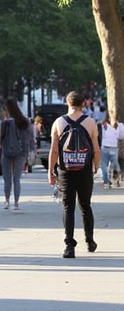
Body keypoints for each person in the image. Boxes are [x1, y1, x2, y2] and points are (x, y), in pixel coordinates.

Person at [48, 91, 100, 259]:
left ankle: (69, 246)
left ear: (67, 103)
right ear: (83, 104)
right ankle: (90, 240)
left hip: (65, 170)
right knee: (85, 205)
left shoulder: (59, 122)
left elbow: (54, 150)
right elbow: (96, 149)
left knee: (68, 207)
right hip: (84, 170)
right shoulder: (90, 122)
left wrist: (50, 171)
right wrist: (95, 167)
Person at [0, 97, 35, 210]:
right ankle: (16, 203)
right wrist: (31, 150)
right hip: (21, 152)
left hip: (7, 152)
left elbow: (0, 137)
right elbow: (30, 138)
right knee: (17, 179)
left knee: (7, 178)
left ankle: (6, 201)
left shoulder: (6, 123)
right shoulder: (25, 121)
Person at [99, 113, 124, 189]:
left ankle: (109, 181)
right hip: (111, 147)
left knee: (107, 166)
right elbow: (121, 137)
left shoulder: (118, 126)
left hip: (109, 147)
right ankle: (108, 181)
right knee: (111, 165)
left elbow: (121, 136)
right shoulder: (105, 125)